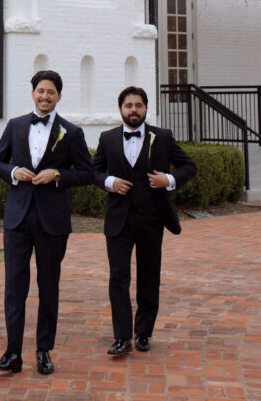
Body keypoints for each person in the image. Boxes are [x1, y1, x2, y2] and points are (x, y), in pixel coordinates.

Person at [0, 69, 94, 376]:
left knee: (48, 286)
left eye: (51, 92)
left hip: (52, 220)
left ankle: (43, 350)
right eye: (40, 91)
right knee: (14, 287)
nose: (45, 96)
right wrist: (12, 172)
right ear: (33, 93)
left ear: (59, 96)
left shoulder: (72, 132)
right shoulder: (15, 125)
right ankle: (12, 353)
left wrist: (58, 174)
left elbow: (87, 173)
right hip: (17, 218)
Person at [93, 85, 196, 356]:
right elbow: (92, 171)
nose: (134, 110)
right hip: (119, 220)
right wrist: (109, 181)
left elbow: (188, 166)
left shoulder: (162, 137)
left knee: (149, 277)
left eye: (138, 105)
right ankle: (121, 337)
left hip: (151, 219)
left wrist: (169, 180)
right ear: (121, 109)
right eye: (129, 106)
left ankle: (143, 334)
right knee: (118, 277)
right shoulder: (107, 138)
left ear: (146, 108)